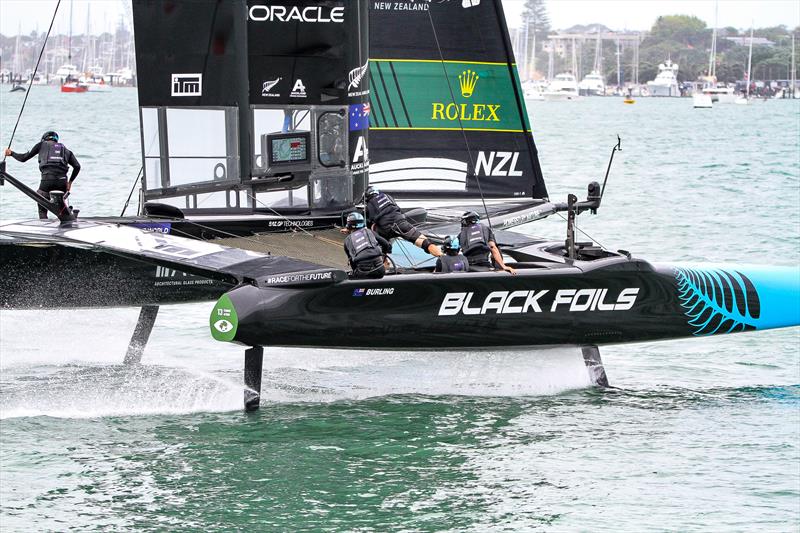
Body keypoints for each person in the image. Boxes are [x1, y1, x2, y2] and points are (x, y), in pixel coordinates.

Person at [4, 131, 81, 219]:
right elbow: (77, 166)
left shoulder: (41, 145)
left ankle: (43, 221)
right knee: (61, 205)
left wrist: (11, 153)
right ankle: (66, 218)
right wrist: (70, 182)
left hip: (46, 181)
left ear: (44, 139)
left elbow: (24, 158)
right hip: (62, 183)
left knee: (42, 205)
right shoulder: (66, 150)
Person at [364, 186, 443, 257]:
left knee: (374, 232)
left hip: (386, 230)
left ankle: (384, 259)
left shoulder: (369, 205)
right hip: (401, 224)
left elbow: (370, 220)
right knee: (426, 243)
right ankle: (443, 257)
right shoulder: (388, 196)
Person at [342, 212, 393, 280]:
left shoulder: (347, 241)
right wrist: (383, 259)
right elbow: (387, 245)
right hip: (380, 270)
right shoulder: (369, 231)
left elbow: (352, 263)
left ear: (348, 225)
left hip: (363, 273)